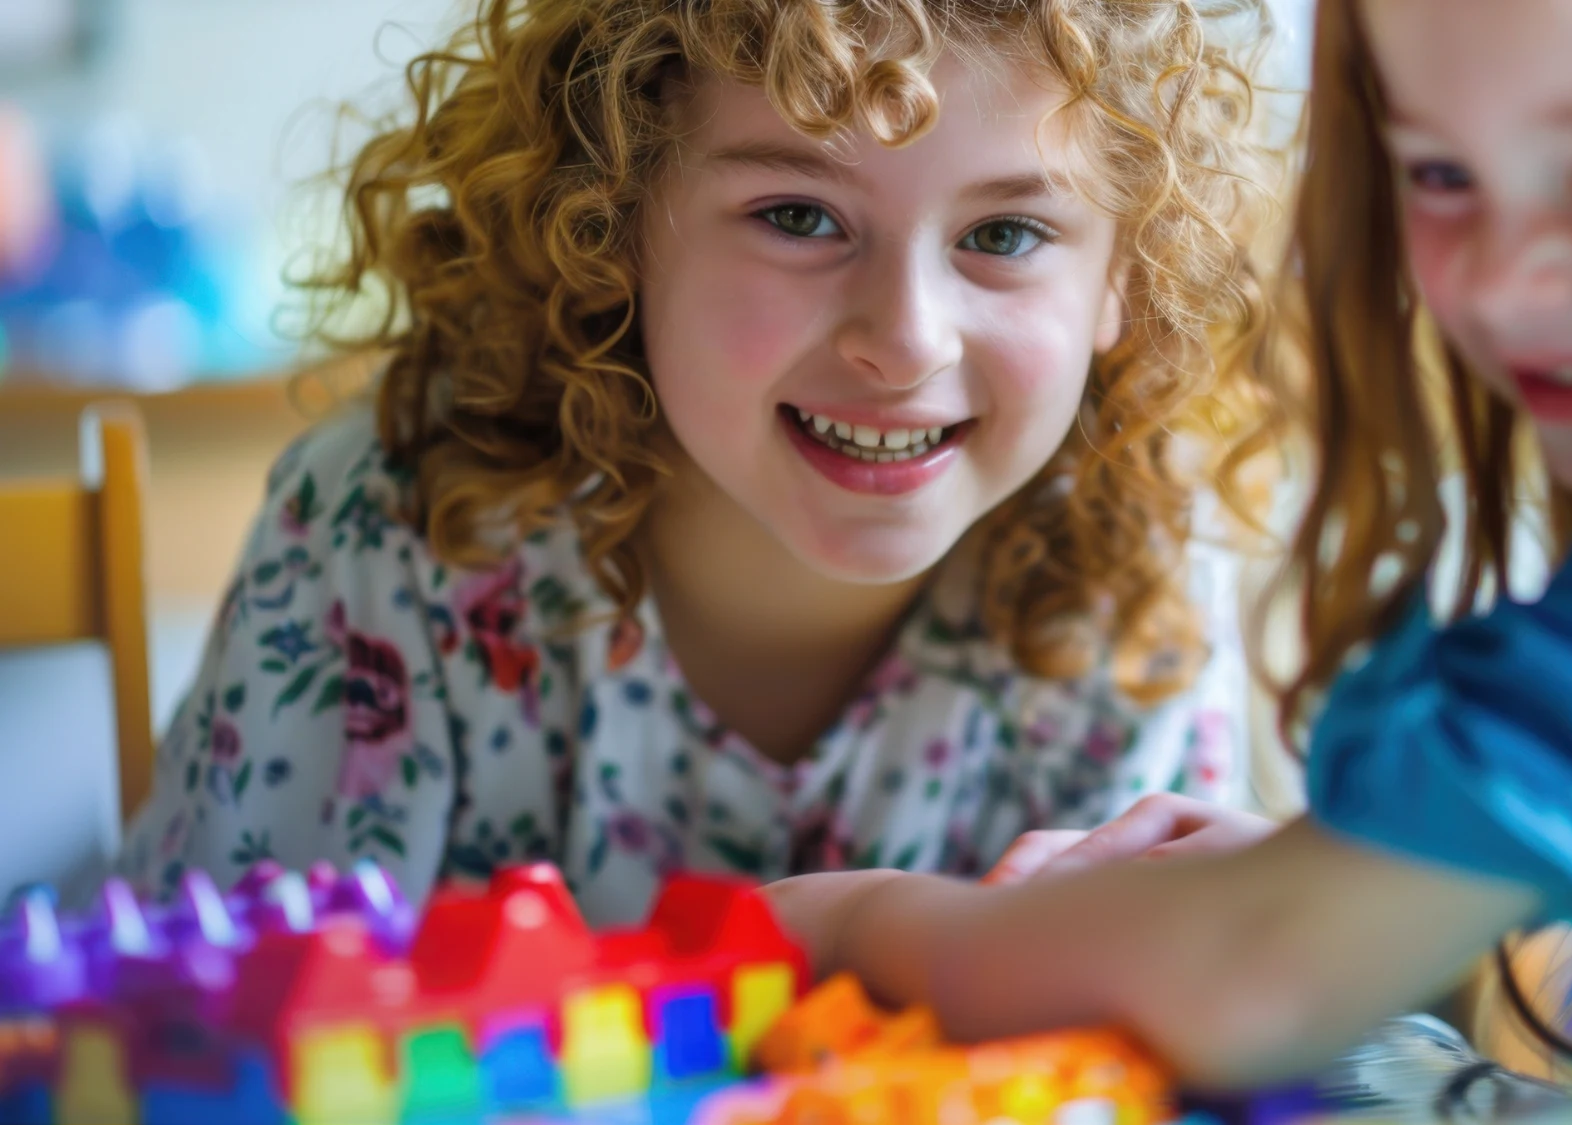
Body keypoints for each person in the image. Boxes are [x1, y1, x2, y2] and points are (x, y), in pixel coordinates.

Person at [762, 0, 1572, 1090]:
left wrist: (858, 927)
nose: (1507, 282)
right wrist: (1364, 890)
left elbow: (1258, 984)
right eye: (1441, 173)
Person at [112, 0, 1292, 928]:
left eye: (1002, 236)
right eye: (797, 215)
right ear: (611, 221)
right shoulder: (391, 525)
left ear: (1120, 282)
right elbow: (197, 1043)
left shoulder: (1129, 559)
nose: (903, 341)